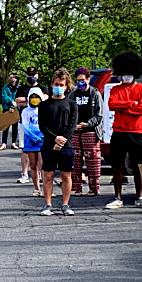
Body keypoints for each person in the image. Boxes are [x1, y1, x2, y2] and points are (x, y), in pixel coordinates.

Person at [105, 51, 142, 209]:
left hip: (137, 131)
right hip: (118, 131)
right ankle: (117, 197)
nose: (126, 76)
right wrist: (131, 104)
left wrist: (123, 107)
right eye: (123, 73)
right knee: (117, 166)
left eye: (129, 73)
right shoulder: (115, 89)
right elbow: (112, 105)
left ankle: (139, 197)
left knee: (139, 166)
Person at [38, 68, 78, 216]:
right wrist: (55, 138)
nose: (59, 87)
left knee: (66, 176)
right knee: (48, 176)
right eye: (56, 84)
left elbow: (72, 125)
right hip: (49, 144)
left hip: (66, 146)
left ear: (67, 86)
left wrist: (61, 141)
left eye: (62, 85)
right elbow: (42, 125)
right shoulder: (44, 105)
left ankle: (65, 204)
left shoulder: (72, 104)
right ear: (52, 84)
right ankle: (48, 204)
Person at [71, 67, 103, 197]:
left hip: (90, 132)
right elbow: (69, 112)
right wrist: (74, 125)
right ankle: (76, 188)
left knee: (93, 163)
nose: (80, 83)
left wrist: (87, 124)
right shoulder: (73, 94)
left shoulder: (95, 93)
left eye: (83, 80)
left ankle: (94, 189)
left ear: (88, 79)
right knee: (75, 162)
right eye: (78, 80)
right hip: (75, 132)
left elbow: (99, 115)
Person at [15, 67, 49, 183]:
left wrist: (26, 100)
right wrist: (28, 100)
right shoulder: (22, 88)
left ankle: (39, 175)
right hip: (25, 122)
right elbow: (17, 102)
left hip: (40, 126)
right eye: (29, 75)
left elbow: (45, 99)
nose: (31, 77)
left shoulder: (42, 87)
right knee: (24, 149)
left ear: (37, 75)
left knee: (40, 152)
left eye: (33, 74)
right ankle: (24, 173)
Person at [21, 87, 45, 196]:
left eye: (37, 97)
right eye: (32, 97)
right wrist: (32, 136)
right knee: (33, 165)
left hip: (42, 139)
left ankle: (46, 188)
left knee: (42, 165)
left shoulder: (44, 109)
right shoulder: (25, 111)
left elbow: (47, 123)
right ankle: (36, 188)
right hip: (30, 141)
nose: (34, 99)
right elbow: (25, 126)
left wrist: (41, 135)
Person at [0, 73, 19, 150]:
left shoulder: (18, 88)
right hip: (6, 108)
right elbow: (4, 97)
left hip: (15, 108)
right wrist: (11, 102)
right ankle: (4, 143)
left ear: (16, 79)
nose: (11, 78)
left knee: (15, 127)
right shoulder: (5, 87)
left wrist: (13, 106)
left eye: (13, 77)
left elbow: (18, 98)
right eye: (10, 77)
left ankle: (13, 143)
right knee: (5, 127)